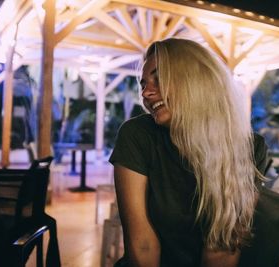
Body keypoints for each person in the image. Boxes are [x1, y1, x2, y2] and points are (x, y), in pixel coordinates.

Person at [109, 38, 269, 267]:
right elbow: (142, 245)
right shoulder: (137, 135)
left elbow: (222, 249)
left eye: (158, 78)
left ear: (196, 80)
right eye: (143, 84)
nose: (146, 93)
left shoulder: (249, 148)